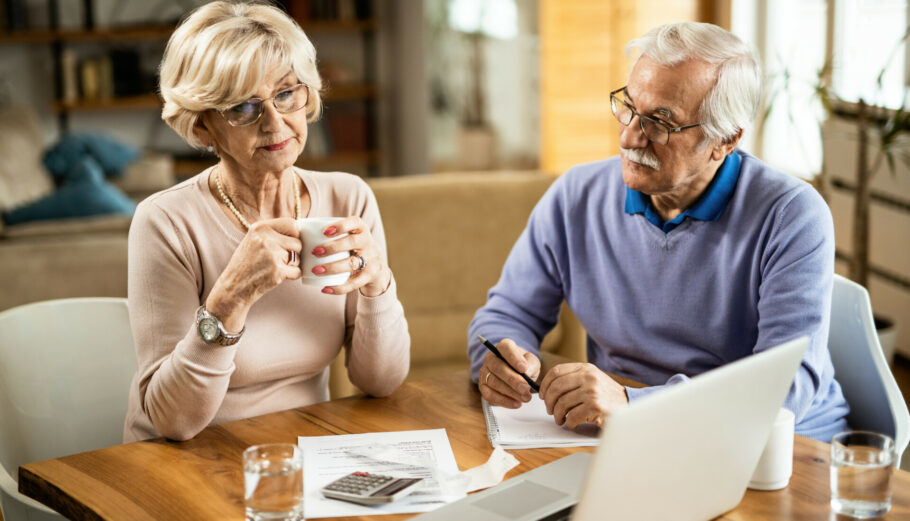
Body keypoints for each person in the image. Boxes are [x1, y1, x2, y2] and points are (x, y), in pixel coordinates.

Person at [468, 22, 849, 442]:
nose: (630, 135)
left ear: (725, 140)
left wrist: (633, 404)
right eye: (628, 106)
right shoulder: (576, 196)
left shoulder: (792, 215)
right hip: (627, 438)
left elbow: (783, 390)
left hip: (770, 447)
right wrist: (504, 360)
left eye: (660, 122)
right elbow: (506, 314)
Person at [123, 1, 409, 442]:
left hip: (302, 453)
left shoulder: (347, 198)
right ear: (203, 128)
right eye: (243, 107)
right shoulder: (165, 221)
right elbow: (173, 421)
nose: (276, 122)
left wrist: (378, 286)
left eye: (286, 93)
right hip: (184, 460)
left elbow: (380, 382)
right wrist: (230, 299)